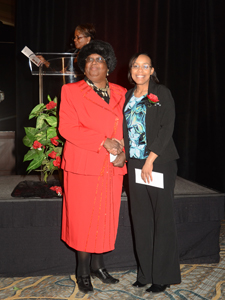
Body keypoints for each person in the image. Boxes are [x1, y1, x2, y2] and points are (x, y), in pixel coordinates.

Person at [58, 40, 127, 294]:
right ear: (82, 66)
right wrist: (103, 141)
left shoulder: (121, 92)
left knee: (105, 215)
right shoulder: (71, 91)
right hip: (83, 163)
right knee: (82, 218)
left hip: (112, 166)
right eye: (89, 60)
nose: (94, 64)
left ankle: (99, 265)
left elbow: (129, 129)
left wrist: (124, 153)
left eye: (99, 59)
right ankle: (83, 270)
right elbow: (67, 128)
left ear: (108, 66)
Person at [123, 53, 181, 293]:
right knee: (141, 219)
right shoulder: (128, 95)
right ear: (131, 70)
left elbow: (167, 128)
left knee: (162, 219)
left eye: (145, 66)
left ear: (152, 70)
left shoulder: (161, 93)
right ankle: (145, 273)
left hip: (158, 162)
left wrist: (151, 160)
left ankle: (163, 275)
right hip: (134, 164)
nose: (140, 70)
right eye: (136, 65)